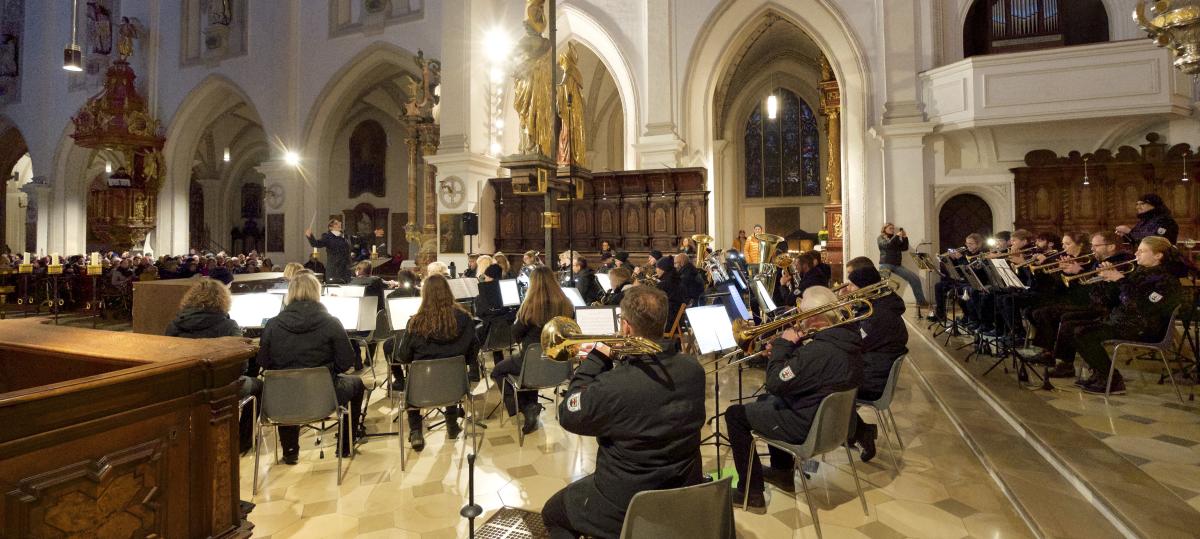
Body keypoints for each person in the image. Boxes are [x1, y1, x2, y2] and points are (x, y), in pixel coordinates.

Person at [541, 286, 707, 539]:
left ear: (626, 327)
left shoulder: (613, 386)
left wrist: (597, 359)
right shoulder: (694, 369)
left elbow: (569, 413)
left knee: (553, 512)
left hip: (627, 502)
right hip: (682, 491)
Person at [726, 286, 862, 512]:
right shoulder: (847, 340)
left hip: (807, 427)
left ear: (816, 317)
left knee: (735, 415)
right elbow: (805, 375)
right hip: (830, 424)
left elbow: (775, 383)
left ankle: (751, 492)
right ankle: (782, 471)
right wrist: (788, 352)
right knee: (764, 402)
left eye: (803, 315)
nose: (799, 321)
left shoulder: (819, 352)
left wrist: (783, 346)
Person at [257, 273, 365, 462]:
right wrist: (329, 371)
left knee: (285, 382)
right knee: (357, 384)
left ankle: (290, 451)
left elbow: (264, 362)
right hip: (323, 398)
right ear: (317, 292)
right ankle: (345, 446)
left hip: (282, 401)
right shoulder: (331, 322)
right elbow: (347, 360)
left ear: (290, 293)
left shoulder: (273, 325)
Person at [1070, 236, 1182, 394]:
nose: (1136, 253)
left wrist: (1121, 281)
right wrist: (1106, 280)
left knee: (1084, 334)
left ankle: (1113, 380)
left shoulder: (1166, 281)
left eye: (1142, 251)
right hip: (1124, 322)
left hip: (1145, 328)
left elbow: (1142, 307)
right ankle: (1102, 375)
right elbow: (1111, 302)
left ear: (1158, 255)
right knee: (1075, 329)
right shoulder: (1138, 273)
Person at [164, 279, 258, 454]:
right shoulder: (228, 325)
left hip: (184, 387)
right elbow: (241, 365)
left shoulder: (174, 325)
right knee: (258, 386)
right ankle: (243, 442)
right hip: (220, 386)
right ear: (223, 299)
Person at [393, 274, 479, 451]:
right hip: (456, 386)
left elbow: (403, 356)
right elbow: (472, 353)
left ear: (425, 295)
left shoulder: (415, 323)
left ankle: (416, 431)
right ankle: (452, 424)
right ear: (448, 292)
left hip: (421, 389)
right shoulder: (464, 318)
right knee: (449, 371)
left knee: (413, 377)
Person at [491, 266, 574, 433]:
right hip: (558, 363)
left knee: (498, 371)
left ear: (533, 284)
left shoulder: (530, 306)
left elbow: (516, 336)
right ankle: (531, 406)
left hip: (532, 361)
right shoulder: (567, 304)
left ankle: (525, 407)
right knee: (532, 368)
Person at [841, 258, 906, 462]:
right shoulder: (879, 305)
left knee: (823, 384)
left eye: (851, 284)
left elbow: (855, 343)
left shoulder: (880, 314)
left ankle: (859, 432)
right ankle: (850, 430)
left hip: (873, 378)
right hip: (871, 368)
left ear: (864, 287)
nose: (847, 288)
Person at [877, 223, 928, 306]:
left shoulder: (895, 238)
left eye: (893, 229)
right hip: (885, 264)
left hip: (897, 265)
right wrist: (896, 236)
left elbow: (904, 248)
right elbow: (888, 245)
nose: (892, 230)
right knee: (882, 285)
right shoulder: (881, 237)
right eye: (890, 228)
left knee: (915, 279)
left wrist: (905, 237)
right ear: (884, 229)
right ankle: (880, 305)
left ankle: (921, 302)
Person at [306, 219, 352, 283]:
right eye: (336, 223)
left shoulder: (345, 237)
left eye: (339, 223)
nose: (339, 224)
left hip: (345, 269)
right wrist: (310, 236)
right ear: (330, 227)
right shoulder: (328, 237)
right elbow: (316, 244)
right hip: (335, 269)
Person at [654, 255, 686, 330]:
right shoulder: (678, 280)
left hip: (666, 322)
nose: (656, 270)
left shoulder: (664, 284)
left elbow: (654, 304)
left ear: (663, 269)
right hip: (677, 321)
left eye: (657, 267)